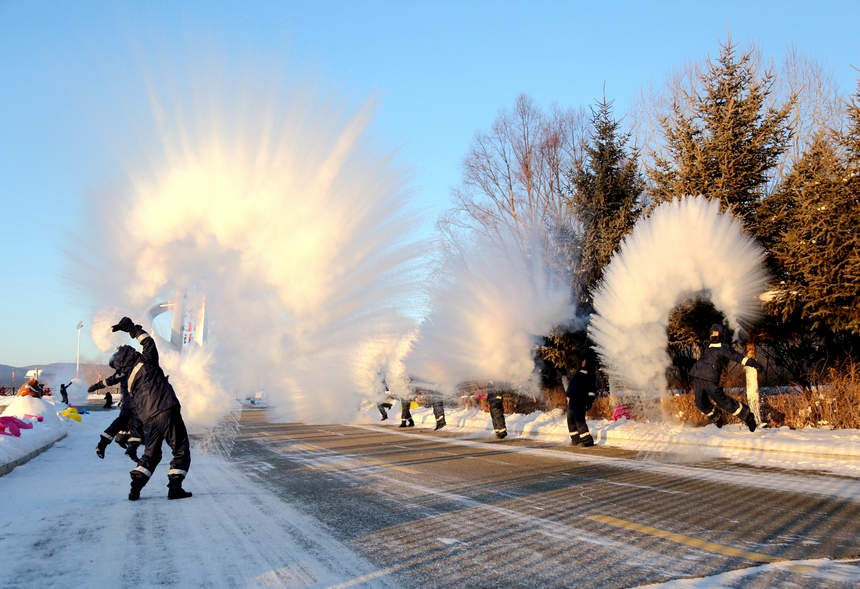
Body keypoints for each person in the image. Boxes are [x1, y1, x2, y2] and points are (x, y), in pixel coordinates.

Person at [110, 316, 192, 501]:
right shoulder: (146, 362)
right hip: (166, 410)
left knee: (151, 455)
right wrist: (131, 328)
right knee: (180, 448)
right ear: (132, 356)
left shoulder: (130, 380)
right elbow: (148, 341)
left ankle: (135, 488)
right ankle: (175, 487)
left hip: (148, 419)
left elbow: (133, 407)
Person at [689, 323, 764, 432]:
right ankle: (716, 415)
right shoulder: (707, 345)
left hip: (710, 378)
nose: (713, 335)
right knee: (700, 403)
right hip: (696, 375)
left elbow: (738, 358)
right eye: (712, 333)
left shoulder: (724, 348)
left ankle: (748, 416)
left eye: (715, 333)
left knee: (722, 401)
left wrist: (753, 363)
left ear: (721, 334)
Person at [90, 372, 143, 463]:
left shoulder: (122, 372)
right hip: (137, 402)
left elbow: (109, 381)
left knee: (119, 423)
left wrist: (95, 386)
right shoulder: (139, 370)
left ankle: (102, 444)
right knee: (138, 423)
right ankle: (132, 449)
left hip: (126, 402)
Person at [565, 352, 598, 447]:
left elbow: (592, 389)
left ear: (587, 362)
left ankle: (587, 441)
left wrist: (589, 401)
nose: (582, 362)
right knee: (570, 419)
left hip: (580, 400)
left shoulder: (589, 373)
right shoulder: (580, 371)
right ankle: (576, 439)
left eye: (584, 360)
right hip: (573, 399)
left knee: (579, 420)